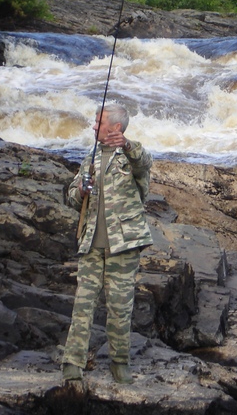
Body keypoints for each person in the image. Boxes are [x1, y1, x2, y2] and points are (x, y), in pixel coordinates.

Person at [62, 102, 153, 385]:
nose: (93, 126)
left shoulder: (131, 156)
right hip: (91, 244)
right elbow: (72, 198)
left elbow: (144, 162)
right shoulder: (90, 156)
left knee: (120, 307)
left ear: (115, 127)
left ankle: (119, 364)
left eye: (99, 122)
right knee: (83, 304)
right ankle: (72, 364)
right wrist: (80, 189)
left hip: (123, 245)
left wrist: (125, 144)